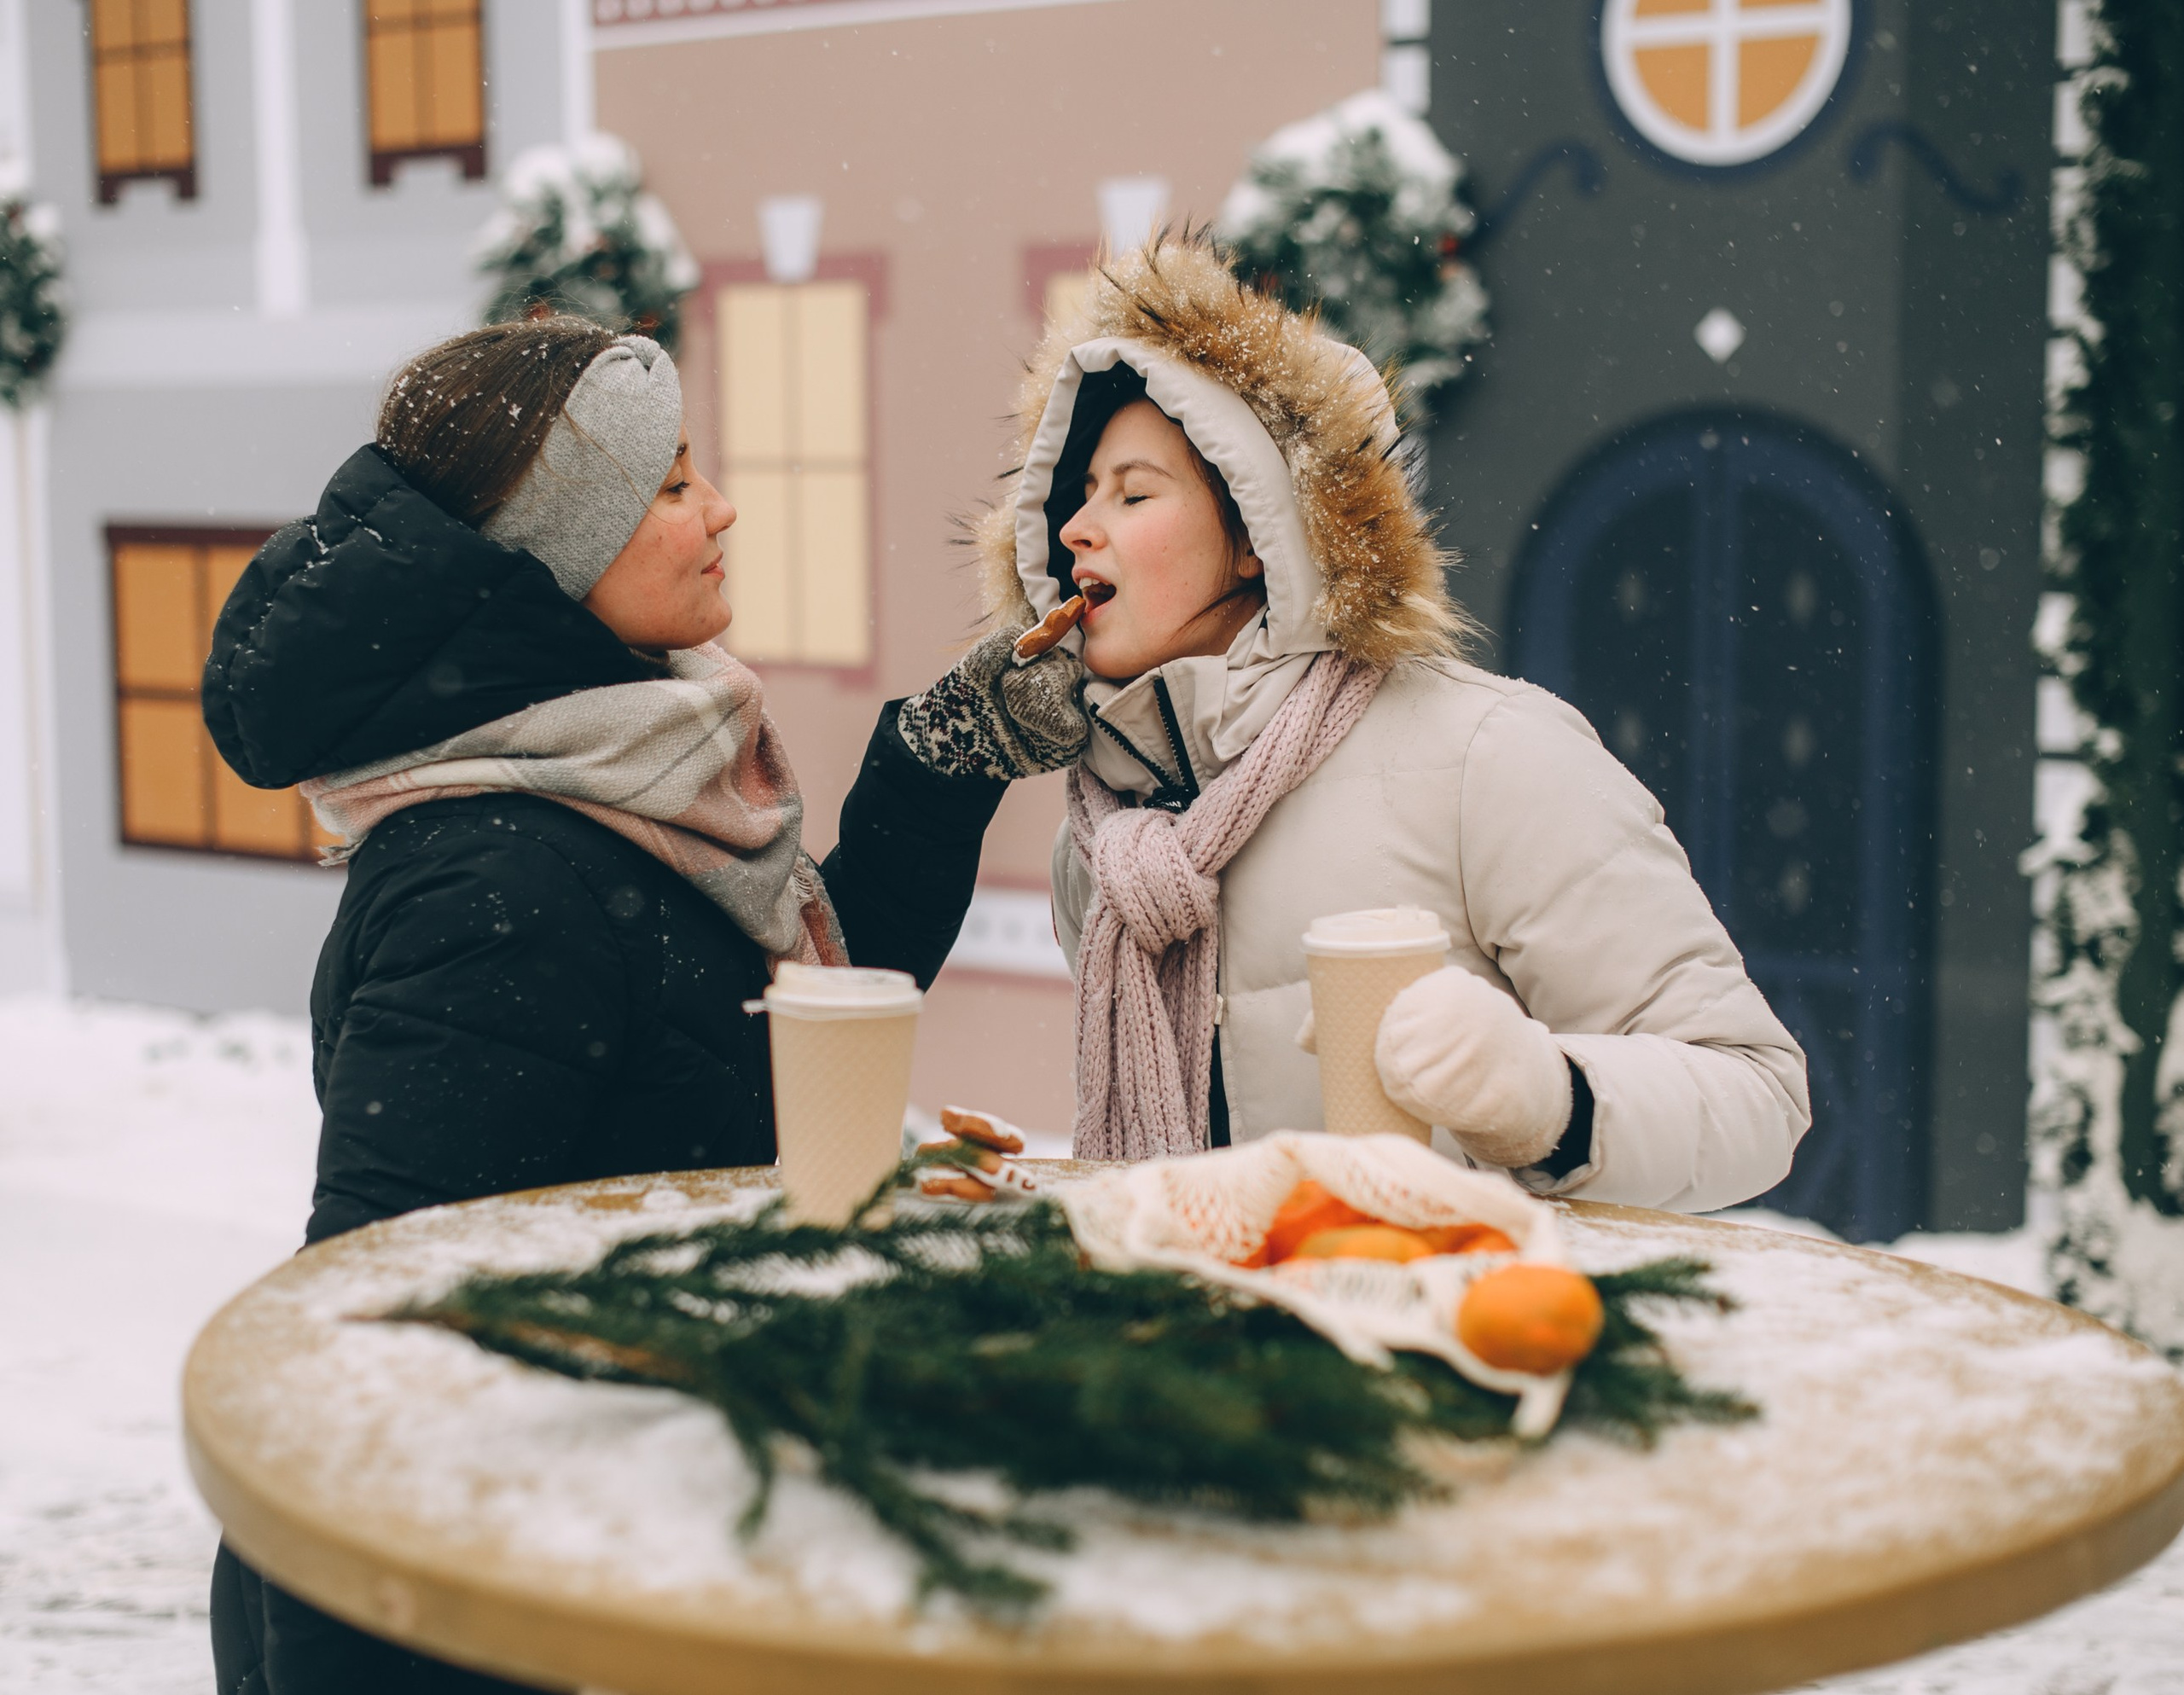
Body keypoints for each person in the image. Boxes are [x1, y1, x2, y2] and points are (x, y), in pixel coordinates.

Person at [199, 316, 1083, 1692]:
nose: (721, 507)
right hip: (506, 1619)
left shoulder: (629, 771)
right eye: (671, 486)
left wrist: (938, 761)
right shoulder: (496, 881)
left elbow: (782, 1038)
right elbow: (367, 1352)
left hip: (628, 1540)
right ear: (559, 555)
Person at [976, 235, 1809, 1208]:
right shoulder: (1109, 838)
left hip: (1450, 1335)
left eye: (1133, 493)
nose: (1078, 527)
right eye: (1078, 497)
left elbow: (1756, 1095)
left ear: (1258, 534)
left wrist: (1548, 1101)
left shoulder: (1485, 756)